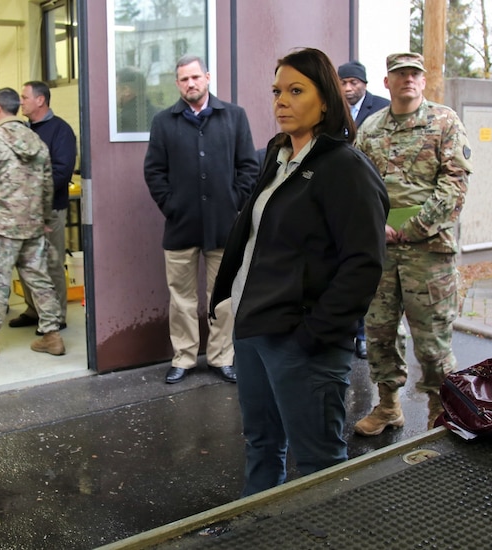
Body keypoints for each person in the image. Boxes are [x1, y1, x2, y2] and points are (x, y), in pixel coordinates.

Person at [210, 48, 389, 496]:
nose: (281, 102)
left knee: (318, 464)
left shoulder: (344, 167)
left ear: (326, 100)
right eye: (276, 92)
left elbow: (363, 263)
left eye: (295, 91)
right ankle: (258, 528)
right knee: (262, 445)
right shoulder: (278, 156)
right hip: (254, 329)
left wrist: (315, 334)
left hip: (301, 340)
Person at [354, 52, 472, 435]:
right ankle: (388, 406)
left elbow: (455, 182)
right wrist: (377, 227)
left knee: (433, 340)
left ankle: (443, 411)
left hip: (429, 252)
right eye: (399, 74)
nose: (407, 79)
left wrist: (415, 227)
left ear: (423, 82)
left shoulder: (444, 121)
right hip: (382, 251)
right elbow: (358, 186)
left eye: (414, 74)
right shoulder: (369, 128)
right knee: (380, 332)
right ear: (386, 83)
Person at [143, 54, 258, 385]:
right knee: (181, 298)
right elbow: (154, 171)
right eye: (183, 79)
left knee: (222, 297)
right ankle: (185, 357)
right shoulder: (164, 122)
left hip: (225, 226)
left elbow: (248, 166)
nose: (190, 83)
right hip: (181, 227)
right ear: (177, 83)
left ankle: (223, 357)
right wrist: (171, 205)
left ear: (207, 77)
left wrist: (234, 201)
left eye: (195, 77)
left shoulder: (234, 117)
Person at [0, 87, 66, 358]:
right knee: (40, 279)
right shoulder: (37, 141)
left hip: (0, 226)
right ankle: (51, 336)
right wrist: (43, 219)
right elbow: (46, 185)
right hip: (32, 225)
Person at [8, 81, 77, 333]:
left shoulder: (61, 131)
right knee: (25, 262)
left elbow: (61, 171)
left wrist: (30, 191)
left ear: (40, 100)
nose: (21, 102)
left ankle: (56, 315)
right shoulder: (23, 130)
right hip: (22, 212)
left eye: (25, 97)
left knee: (51, 263)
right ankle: (33, 308)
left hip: (49, 211)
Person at [338, 60, 391, 359]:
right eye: (343, 83)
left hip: (371, 201)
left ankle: (364, 336)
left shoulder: (382, 109)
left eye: (353, 82)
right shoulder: (334, 111)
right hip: (343, 203)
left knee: (369, 272)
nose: (348, 88)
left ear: (365, 84)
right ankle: (348, 332)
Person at [116, 66, 158, 132]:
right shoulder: (161, 115)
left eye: (116, 88)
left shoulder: (121, 122)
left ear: (126, 90)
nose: (113, 93)